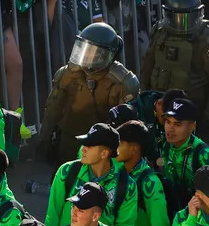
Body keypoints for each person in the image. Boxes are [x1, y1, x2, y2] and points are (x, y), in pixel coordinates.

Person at [38, 23, 137, 165]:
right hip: (69, 142)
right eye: (85, 49)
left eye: (94, 52)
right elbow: (53, 110)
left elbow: (126, 127)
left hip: (102, 146)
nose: (88, 55)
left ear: (107, 55)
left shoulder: (124, 83)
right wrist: (43, 142)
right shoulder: (67, 74)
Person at [140, 0, 209, 144]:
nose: (180, 23)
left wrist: (207, 118)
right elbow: (147, 68)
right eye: (176, 17)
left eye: (186, 18)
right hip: (161, 109)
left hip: (192, 111)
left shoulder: (207, 38)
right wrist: (147, 103)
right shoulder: (160, 31)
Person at [44, 122, 122, 226]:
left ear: (104, 153)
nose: (82, 149)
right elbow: (52, 216)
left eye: (89, 146)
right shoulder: (67, 171)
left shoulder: (125, 185)